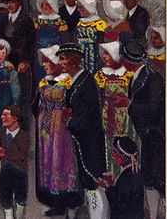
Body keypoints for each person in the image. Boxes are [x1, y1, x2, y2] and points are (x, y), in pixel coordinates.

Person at [58, 43, 109, 219]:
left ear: (74, 61)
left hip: (89, 142)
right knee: (86, 185)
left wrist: (68, 119)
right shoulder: (77, 81)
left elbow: (86, 118)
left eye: (64, 59)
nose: (61, 62)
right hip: (81, 140)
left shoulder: (86, 83)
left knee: (93, 185)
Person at [33, 45, 82, 218]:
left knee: (61, 160)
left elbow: (72, 103)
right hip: (45, 127)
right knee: (48, 162)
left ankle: (70, 205)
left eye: (48, 61)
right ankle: (57, 203)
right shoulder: (44, 81)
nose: (44, 64)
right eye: (43, 61)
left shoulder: (67, 81)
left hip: (60, 128)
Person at [122, 40, 165, 219]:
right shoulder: (135, 76)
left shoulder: (153, 77)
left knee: (155, 179)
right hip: (140, 132)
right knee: (146, 178)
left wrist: (129, 105)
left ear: (129, 61)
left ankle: (157, 214)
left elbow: (154, 108)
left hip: (152, 135)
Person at [0, 0, 35, 130]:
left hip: (19, 65)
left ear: (19, 2)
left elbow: (30, 44)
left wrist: (25, 61)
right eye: (7, 3)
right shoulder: (4, 19)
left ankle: (20, 133)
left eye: (13, 2)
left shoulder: (26, 20)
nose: (10, 5)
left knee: (19, 99)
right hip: (5, 64)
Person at [94, 41, 140, 178]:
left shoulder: (128, 74)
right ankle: (112, 175)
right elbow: (98, 97)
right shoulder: (101, 74)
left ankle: (129, 174)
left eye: (108, 54)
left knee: (126, 141)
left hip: (125, 115)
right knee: (109, 143)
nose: (104, 57)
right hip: (108, 113)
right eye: (104, 54)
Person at [102, 136, 144, 219]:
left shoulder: (127, 177)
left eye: (116, 152)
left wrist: (108, 187)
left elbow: (119, 204)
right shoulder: (134, 172)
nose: (113, 155)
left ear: (123, 157)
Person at [33, 0, 69, 82]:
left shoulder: (59, 21)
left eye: (48, 4)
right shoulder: (38, 21)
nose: (45, 7)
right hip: (40, 50)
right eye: (43, 5)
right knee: (41, 73)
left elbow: (64, 39)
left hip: (55, 50)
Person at [74, 0, 106, 74]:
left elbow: (102, 41)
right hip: (81, 54)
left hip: (94, 54)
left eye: (81, 7)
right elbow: (75, 39)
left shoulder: (99, 23)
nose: (78, 10)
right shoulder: (80, 23)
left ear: (88, 8)